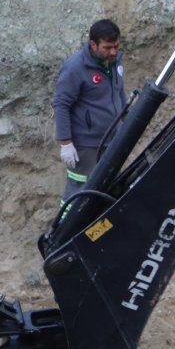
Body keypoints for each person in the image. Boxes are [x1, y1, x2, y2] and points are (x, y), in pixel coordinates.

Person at [52, 19, 126, 213]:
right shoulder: (75, 68)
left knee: (106, 188)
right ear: (93, 44)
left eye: (116, 46)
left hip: (112, 139)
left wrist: (124, 120)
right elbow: (61, 105)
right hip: (86, 145)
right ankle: (63, 232)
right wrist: (66, 143)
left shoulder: (115, 61)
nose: (113, 52)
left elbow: (119, 92)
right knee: (80, 191)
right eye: (108, 47)